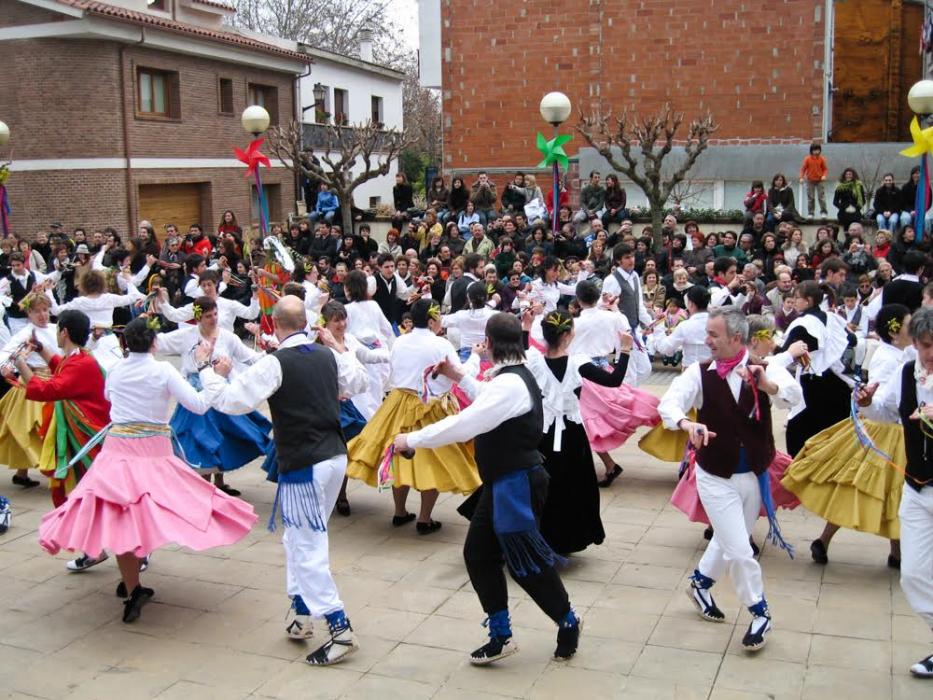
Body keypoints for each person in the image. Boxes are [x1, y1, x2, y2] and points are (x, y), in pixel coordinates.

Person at [38, 318, 257, 624]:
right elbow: (198, 404)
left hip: (118, 452)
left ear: (126, 344)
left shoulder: (116, 370)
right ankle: (134, 580)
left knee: (121, 516)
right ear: (154, 344)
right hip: (150, 453)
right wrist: (213, 373)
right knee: (148, 511)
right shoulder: (162, 370)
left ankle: (133, 586)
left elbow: (111, 399)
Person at [393, 312, 581, 664]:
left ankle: (567, 619)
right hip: (504, 482)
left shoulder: (510, 384)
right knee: (479, 555)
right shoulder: (509, 379)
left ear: (490, 344)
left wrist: (411, 438)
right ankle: (501, 633)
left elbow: (467, 423)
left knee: (526, 564)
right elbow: (485, 399)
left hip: (517, 485)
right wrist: (458, 374)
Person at [198, 295, 368, 663]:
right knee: (300, 537)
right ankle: (302, 612)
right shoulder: (324, 354)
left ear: (276, 326)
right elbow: (359, 383)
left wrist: (208, 372)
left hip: (305, 463)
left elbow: (230, 402)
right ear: (305, 323)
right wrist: (339, 347)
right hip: (335, 457)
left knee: (307, 545)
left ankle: (339, 626)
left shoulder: (277, 362)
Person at [658, 307, 802, 652]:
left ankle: (700, 582)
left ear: (736, 339)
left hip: (753, 472)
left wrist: (769, 386)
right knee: (740, 548)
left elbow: (792, 398)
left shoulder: (765, 368)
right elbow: (669, 403)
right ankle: (759, 611)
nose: (706, 340)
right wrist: (686, 424)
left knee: (728, 537)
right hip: (714, 474)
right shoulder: (700, 372)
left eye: (713, 335)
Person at [784, 303, 911, 568]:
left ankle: (896, 551)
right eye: (909, 325)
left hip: (893, 431)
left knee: (890, 491)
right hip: (883, 432)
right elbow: (882, 401)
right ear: (896, 331)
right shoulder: (889, 359)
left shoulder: (904, 354)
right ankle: (827, 540)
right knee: (865, 486)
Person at [347, 299, 480, 532]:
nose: (441, 321)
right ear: (431, 320)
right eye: (438, 316)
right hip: (431, 406)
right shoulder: (441, 345)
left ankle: (400, 512)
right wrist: (477, 356)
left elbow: (395, 369)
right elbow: (461, 374)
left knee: (400, 457)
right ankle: (424, 518)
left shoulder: (400, 341)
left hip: (399, 403)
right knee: (434, 460)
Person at [857, 308, 933, 676]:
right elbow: (889, 413)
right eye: (924, 345)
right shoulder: (907, 372)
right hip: (917, 488)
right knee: (914, 575)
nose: (930, 353)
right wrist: (867, 400)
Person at [525, 307, 635, 553]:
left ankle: (543, 538)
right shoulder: (578, 362)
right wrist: (625, 349)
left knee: (544, 487)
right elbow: (614, 380)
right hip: (572, 435)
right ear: (567, 335)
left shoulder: (534, 361)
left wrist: (525, 327)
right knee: (574, 487)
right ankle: (566, 540)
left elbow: (520, 357)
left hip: (542, 435)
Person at [16, 309, 113, 571]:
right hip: (80, 442)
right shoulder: (79, 358)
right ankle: (94, 549)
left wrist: (20, 363)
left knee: (100, 498)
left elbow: (47, 390)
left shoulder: (81, 364)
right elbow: (61, 366)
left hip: (88, 444)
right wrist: (40, 349)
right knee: (81, 497)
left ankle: (136, 549)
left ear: (65, 332)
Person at [155, 297, 271, 496]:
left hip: (220, 391)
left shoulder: (228, 337)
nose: (213, 319)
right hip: (195, 393)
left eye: (215, 314)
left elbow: (248, 356)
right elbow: (158, 343)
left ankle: (219, 481)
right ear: (198, 317)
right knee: (200, 437)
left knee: (224, 434)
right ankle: (203, 484)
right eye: (208, 316)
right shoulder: (186, 336)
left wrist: (270, 353)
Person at [781, 281, 853, 456]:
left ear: (808, 300)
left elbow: (785, 352)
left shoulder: (804, 323)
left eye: (797, 298)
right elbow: (852, 340)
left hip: (812, 382)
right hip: (835, 380)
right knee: (835, 434)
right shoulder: (831, 317)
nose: (795, 301)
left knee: (801, 435)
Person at [0, 292, 60, 488]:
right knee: (29, 428)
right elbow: (6, 353)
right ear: (29, 313)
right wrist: (4, 367)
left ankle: (33, 471)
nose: (42, 315)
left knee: (51, 427)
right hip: (32, 382)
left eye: (44, 310)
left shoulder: (56, 328)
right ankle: (25, 472)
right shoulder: (25, 333)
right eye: (36, 311)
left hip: (54, 382)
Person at [798, 143, 829, 219]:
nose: (816, 151)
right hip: (810, 180)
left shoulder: (822, 159)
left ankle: (824, 212)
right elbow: (803, 169)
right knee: (811, 197)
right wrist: (801, 177)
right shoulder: (807, 159)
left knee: (821, 196)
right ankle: (811, 213)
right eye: (814, 150)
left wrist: (824, 176)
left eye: (818, 150)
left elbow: (825, 169)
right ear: (811, 150)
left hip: (819, 180)